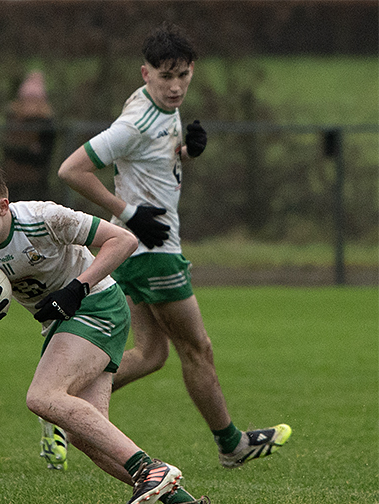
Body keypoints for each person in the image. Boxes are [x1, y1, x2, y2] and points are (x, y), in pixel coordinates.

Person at [56, 22, 291, 470]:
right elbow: (72, 169)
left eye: (183, 75)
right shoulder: (137, 120)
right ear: (146, 73)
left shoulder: (160, 107)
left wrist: (186, 151)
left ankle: (62, 405)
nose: (176, 86)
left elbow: (147, 159)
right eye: (165, 76)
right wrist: (129, 212)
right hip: (153, 251)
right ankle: (232, 444)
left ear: (192, 70)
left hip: (135, 250)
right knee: (197, 349)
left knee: (151, 355)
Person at [0, 162, 213, 504]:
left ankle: (150, 470)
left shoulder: (43, 218)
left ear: (2, 206)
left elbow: (123, 240)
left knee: (42, 397)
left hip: (98, 305)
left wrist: (78, 286)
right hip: (60, 324)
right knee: (85, 436)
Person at [1, 70, 57, 203]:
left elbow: (43, 155)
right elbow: (8, 148)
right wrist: (28, 149)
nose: (29, 104)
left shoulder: (46, 124)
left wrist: (25, 151)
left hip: (36, 183)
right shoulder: (13, 121)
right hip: (13, 181)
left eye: (34, 100)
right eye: (26, 99)